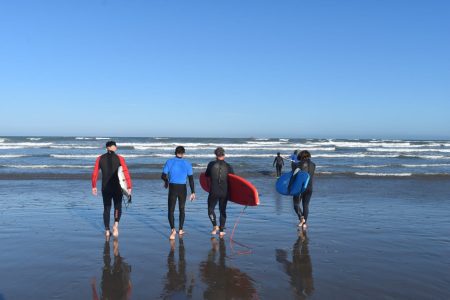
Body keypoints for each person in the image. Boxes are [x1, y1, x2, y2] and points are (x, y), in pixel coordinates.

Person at [92, 141, 132, 238]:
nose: (116, 147)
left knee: (106, 208)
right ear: (109, 147)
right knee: (118, 207)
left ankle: (107, 230)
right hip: (117, 187)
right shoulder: (120, 158)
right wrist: (129, 187)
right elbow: (125, 172)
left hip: (105, 187)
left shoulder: (99, 158)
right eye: (114, 146)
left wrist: (94, 186)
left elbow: (95, 173)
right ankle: (116, 225)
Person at [161, 146, 196, 240]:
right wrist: (193, 192)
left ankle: (173, 230)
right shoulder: (187, 163)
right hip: (182, 189)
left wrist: (166, 182)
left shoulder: (169, 161)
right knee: (182, 209)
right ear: (183, 153)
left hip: (172, 188)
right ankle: (180, 229)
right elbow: (191, 179)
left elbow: (163, 175)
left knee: (171, 210)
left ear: (175, 152)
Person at [205, 147, 234, 237]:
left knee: (210, 210)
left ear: (215, 155)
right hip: (224, 192)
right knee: (222, 211)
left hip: (213, 191)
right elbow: (233, 180)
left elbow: (206, 175)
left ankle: (214, 226)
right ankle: (221, 231)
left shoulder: (211, 164)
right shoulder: (229, 166)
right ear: (224, 155)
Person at [293, 150, 316, 229]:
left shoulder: (298, 164)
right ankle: (304, 223)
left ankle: (301, 218)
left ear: (301, 156)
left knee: (296, 204)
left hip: (300, 188)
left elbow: (294, 176)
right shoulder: (314, 165)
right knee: (305, 205)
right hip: (309, 187)